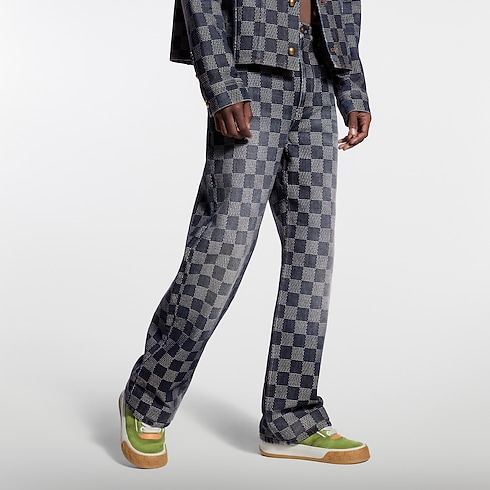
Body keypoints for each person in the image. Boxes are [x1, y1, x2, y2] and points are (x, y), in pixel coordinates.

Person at [119, 0, 372, 469]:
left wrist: (352, 87)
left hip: (319, 72)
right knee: (224, 246)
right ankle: (147, 397)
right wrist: (220, 83)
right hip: (251, 75)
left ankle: (291, 417)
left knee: (313, 258)